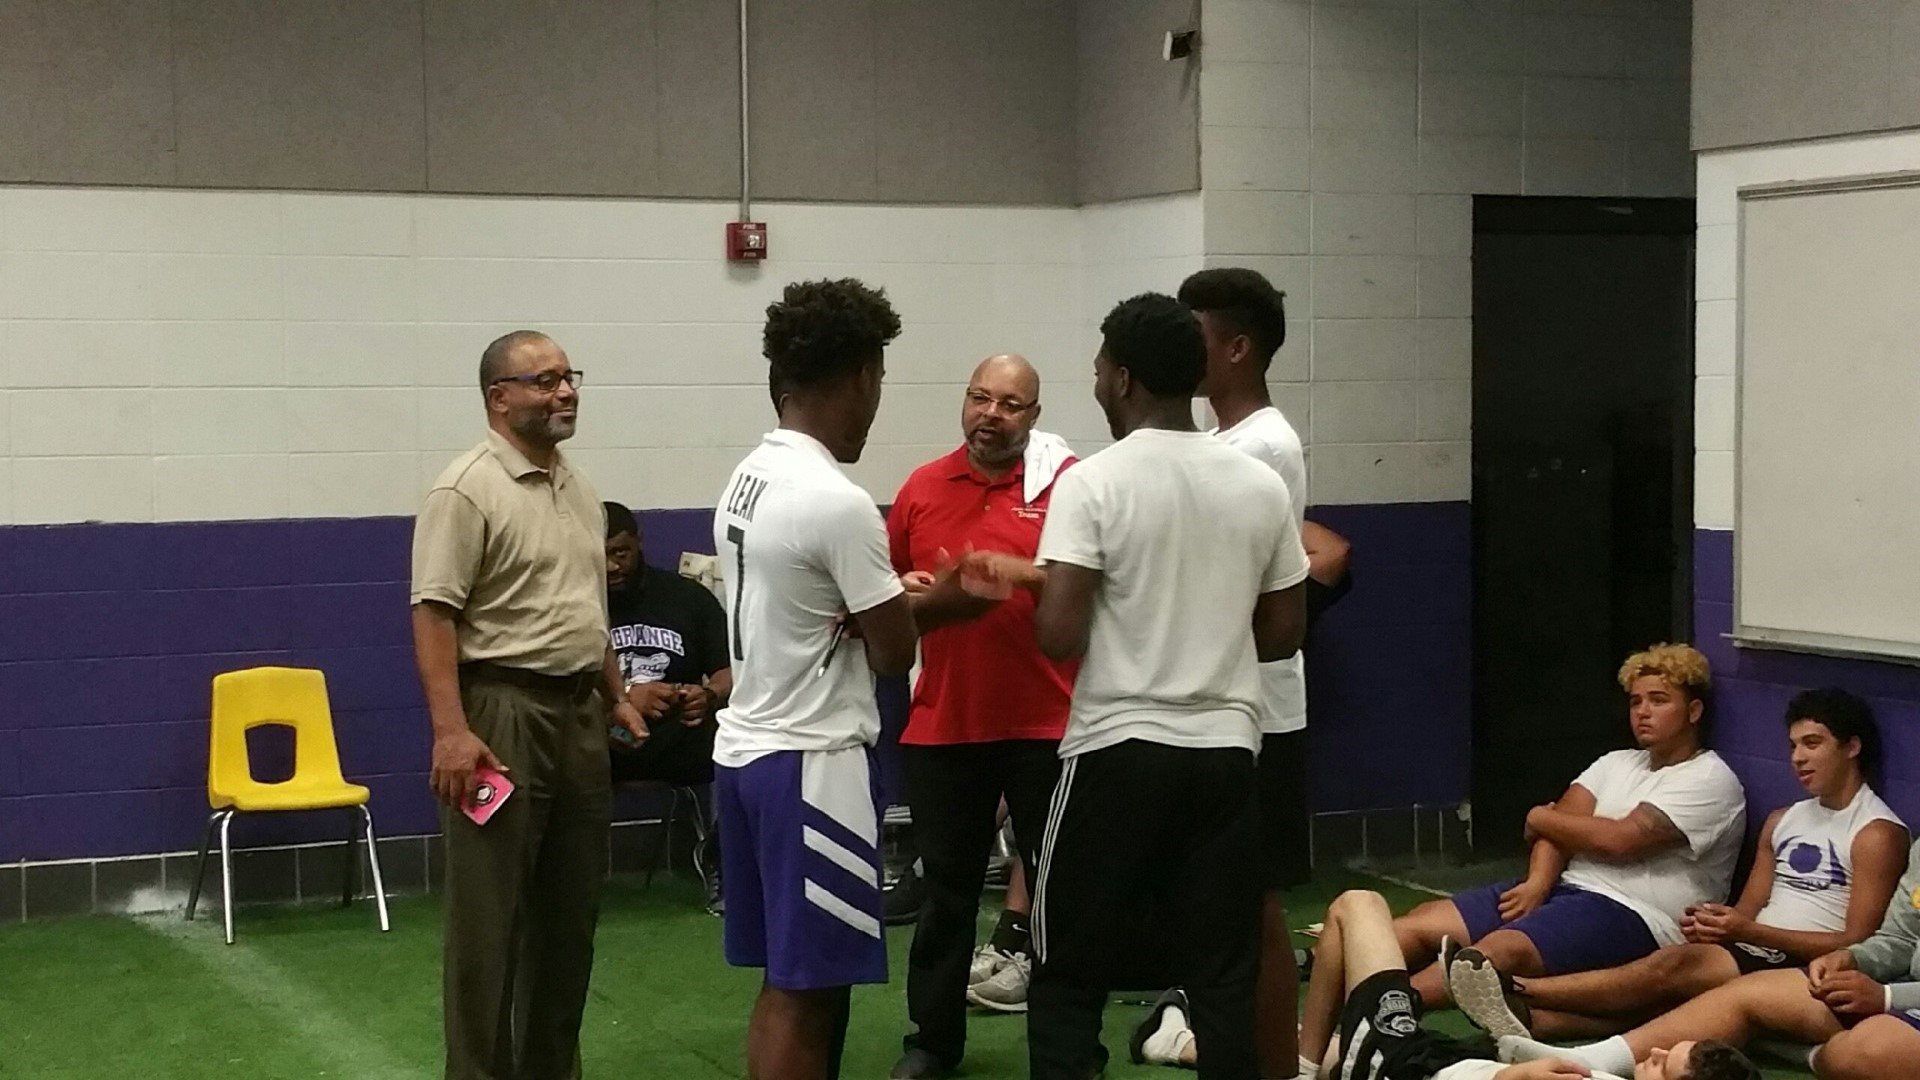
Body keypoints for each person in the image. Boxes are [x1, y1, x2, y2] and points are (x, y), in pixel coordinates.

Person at [712, 279, 1008, 1080]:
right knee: (810, 990)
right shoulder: (836, 502)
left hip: (746, 752)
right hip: (812, 763)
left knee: (791, 980)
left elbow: (821, 608)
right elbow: (890, 653)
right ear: (861, 378)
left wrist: (890, 600)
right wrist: (953, 596)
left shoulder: (749, 475)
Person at [1019, 292, 1311, 1080]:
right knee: (1221, 973)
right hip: (1224, 755)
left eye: (1096, 372)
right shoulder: (1257, 484)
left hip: (1116, 749)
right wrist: (1205, 636)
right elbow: (1285, 630)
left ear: (1120, 378)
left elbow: (1060, 632)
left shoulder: (1094, 482)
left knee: (1067, 967)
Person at [410, 330, 648, 1080]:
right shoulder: (465, 489)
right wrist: (452, 732)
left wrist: (615, 694)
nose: (565, 392)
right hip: (499, 719)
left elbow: (587, 606)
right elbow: (434, 614)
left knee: (570, 920)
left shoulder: (578, 486)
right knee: (489, 925)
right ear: (499, 397)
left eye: (569, 377)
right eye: (543, 381)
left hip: (579, 719)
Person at [1450, 687, 1908, 1042]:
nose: (1798, 759)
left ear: (1851, 748)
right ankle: (1537, 1022)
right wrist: (1718, 924)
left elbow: (1859, 940)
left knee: (1671, 968)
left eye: (1813, 744)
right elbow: (1747, 911)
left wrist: (1747, 934)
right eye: (1793, 746)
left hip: (1809, 961)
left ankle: (1519, 989)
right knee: (1678, 973)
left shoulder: (1875, 832)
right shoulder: (1782, 820)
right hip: (1756, 947)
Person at [1150, 266, 1343, 1079]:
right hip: (1219, 709)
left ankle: (1276, 1062)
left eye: (1195, 337)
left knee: (1258, 908)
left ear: (1236, 347)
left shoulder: (1263, 443)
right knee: (1222, 907)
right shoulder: (1219, 441)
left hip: (1259, 712)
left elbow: (1258, 584)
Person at [1369, 644, 1747, 1024]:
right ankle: (1346, 987)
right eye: (1636, 702)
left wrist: (1540, 815)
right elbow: (1558, 832)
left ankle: (1386, 1014)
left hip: (1635, 913)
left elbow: (1619, 840)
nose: (1643, 712)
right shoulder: (1616, 762)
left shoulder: (1710, 779)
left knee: (1496, 951)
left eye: (1658, 701)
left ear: (1694, 711)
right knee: (1420, 923)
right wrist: (1537, 883)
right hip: (1564, 887)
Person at [885, 355, 1078, 1077]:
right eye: (979, 398)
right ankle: (932, 1044)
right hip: (944, 727)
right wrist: (906, 589)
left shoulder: (1069, 487)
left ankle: (1063, 1051)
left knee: (1061, 902)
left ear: (1033, 417)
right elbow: (890, 597)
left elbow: (1095, 584)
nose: (990, 414)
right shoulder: (921, 487)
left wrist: (1019, 575)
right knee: (946, 899)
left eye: (1010, 404)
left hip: (1047, 728)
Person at [1148, 888, 1760, 1080]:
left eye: (1664, 1066)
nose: (1652, 1052)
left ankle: (1297, 1071)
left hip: (1406, 1065)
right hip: (1438, 1057)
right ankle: (1195, 1045)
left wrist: (1515, 1075)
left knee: (1358, 906)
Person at [1493, 833, 1920, 1078]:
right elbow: (1897, 939)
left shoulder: (1878, 831)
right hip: (1890, 991)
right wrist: (1852, 960)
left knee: (1862, 1051)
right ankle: (1589, 1060)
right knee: (1745, 993)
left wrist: (1886, 998)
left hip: (1897, 1004)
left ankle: (1794, 1050)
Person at [604, 500, 733, 910]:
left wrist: (708, 695)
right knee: (557, 742)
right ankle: (565, 881)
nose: (611, 566)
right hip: (605, 739)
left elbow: (732, 670)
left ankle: (723, 865)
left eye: (620, 552)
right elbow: (560, 685)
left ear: (639, 543)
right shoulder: (573, 604)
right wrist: (624, 698)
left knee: (738, 747)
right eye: (600, 555)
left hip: (681, 735)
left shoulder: (687, 599)